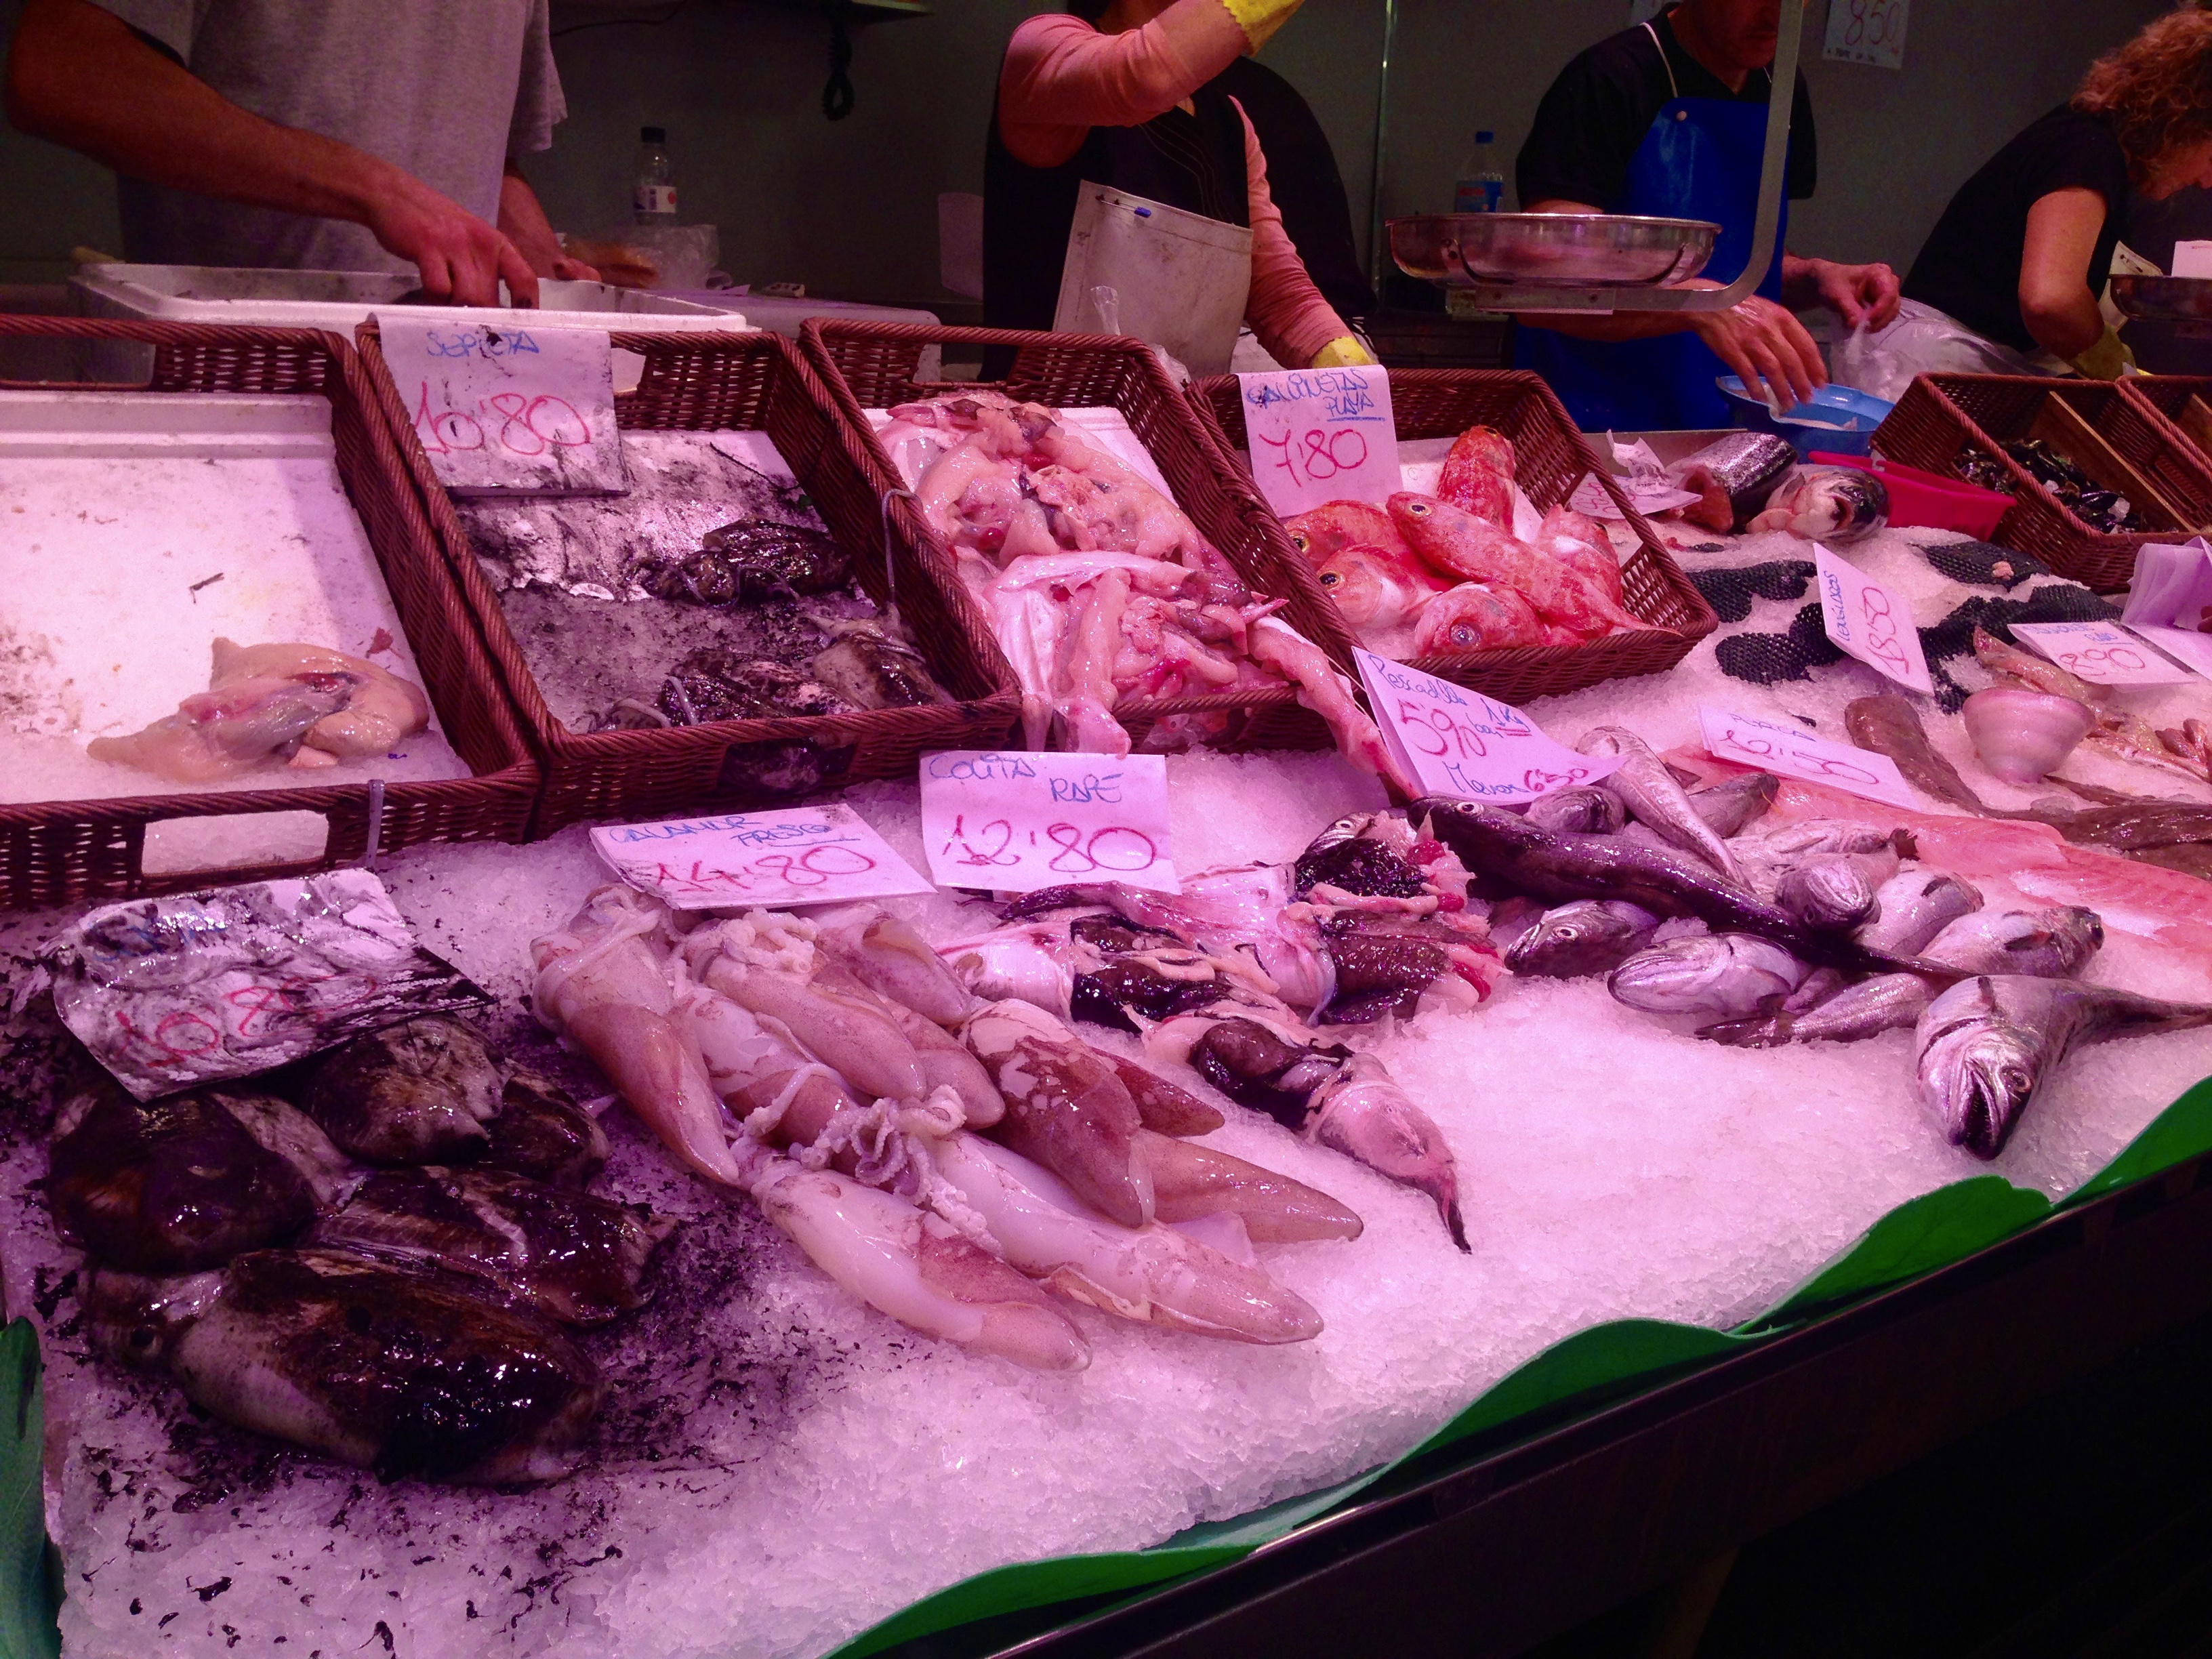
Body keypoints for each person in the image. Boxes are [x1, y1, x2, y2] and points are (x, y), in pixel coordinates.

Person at [3, 0, 594, 306]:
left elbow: (487, 151)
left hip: (452, 385)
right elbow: (60, 71)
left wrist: (545, 271)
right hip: (243, 379)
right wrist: (376, 190)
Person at [1510, 0, 1900, 431]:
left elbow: (1739, 265)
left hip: (1720, 424)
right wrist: (1698, 302)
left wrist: (1813, 276)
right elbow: (1544, 282)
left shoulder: (1783, 88)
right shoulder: (1609, 77)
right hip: (1583, 423)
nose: (1777, 16)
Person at [985, 0, 1372, 373]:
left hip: (1180, 415)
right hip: (1035, 413)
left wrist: (1349, 366)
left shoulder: (1231, 124)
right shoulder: (1043, 46)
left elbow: (1276, 289)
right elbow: (1144, 75)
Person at [1894, 6, 2212, 382]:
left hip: (1950, 365)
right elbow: (2051, 301)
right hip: (1923, 368)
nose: (2207, 181)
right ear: (2186, 122)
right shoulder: (2088, 148)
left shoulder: (2094, 144)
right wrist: (2120, 370)